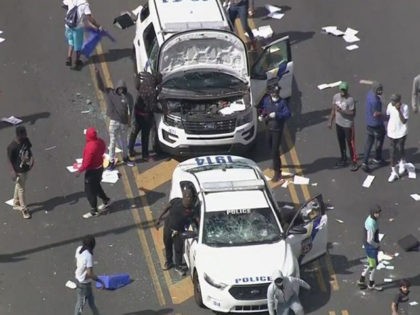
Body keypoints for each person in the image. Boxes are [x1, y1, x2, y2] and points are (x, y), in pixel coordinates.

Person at [95, 67, 134, 170]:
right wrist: (97, 74)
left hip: (124, 123)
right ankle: (111, 161)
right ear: (117, 88)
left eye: (123, 89)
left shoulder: (128, 97)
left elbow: (130, 110)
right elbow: (100, 86)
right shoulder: (110, 93)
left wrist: (129, 122)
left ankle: (126, 158)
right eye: (119, 88)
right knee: (113, 142)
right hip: (114, 122)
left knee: (124, 141)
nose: (121, 90)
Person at [155, 185, 198, 276]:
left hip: (179, 232)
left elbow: (196, 219)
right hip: (168, 228)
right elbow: (167, 207)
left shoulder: (192, 210)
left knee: (178, 250)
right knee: (168, 246)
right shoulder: (176, 201)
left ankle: (178, 266)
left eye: (190, 197)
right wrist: (159, 218)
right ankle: (169, 262)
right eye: (187, 196)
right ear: (183, 196)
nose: (188, 199)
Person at [76, 127, 111, 219]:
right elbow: (103, 149)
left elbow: (87, 163)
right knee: (96, 185)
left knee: (90, 191)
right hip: (100, 167)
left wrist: (79, 171)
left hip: (92, 171)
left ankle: (94, 210)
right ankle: (105, 200)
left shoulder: (89, 147)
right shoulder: (100, 141)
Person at [259, 85, 291, 182]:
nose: (275, 94)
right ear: (271, 93)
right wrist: (262, 115)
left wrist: (277, 115)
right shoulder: (266, 100)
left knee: (274, 150)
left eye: (277, 92)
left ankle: (278, 172)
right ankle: (275, 160)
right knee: (269, 146)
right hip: (269, 127)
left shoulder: (282, 102)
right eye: (274, 92)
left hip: (277, 129)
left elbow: (287, 114)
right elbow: (263, 109)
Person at [328, 81, 358, 171]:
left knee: (350, 143)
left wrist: (342, 111)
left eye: (344, 90)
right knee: (341, 142)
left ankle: (354, 162)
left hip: (348, 125)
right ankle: (343, 158)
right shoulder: (336, 97)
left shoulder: (350, 100)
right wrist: (330, 121)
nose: (343, 92)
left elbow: (353, 113)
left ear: (347, 90)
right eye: (341, 90)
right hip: (339, 124)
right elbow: (333, 109)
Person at [63, 0, 102, 68]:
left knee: (71, 42)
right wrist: (98, 26)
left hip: (68, 25)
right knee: (78, 46)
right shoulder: (84, 4)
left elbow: (64, 5)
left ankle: (69, 58)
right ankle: (77, 60)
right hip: (77, 28)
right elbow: (89, 18)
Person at [128, 72, 157, 160]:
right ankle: (145, 155)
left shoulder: (142, 86)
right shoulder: (152, 92)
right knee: (145, 136)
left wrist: (136, 76)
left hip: (137, 114)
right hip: (146, 117)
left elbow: (137, 85)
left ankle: (131, 151)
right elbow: (152, 107)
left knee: (134, 132)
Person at [7, 126, 34, 219]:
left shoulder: (26, 140)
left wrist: (31, 159)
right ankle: (24, 209)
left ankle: (15, 202)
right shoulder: (12, 147)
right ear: (19, 135)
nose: (26, 135)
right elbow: (10, 161)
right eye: (24, 134)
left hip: (25, 168)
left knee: (19, 185)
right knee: (22, 189)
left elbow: (29, 150)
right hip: (18, 171)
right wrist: (12, 171)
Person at [74, 235, 105, 315]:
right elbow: (90, 273)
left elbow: (77, 261)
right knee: (80, 304)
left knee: (91, 301)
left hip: (80, 279)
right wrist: (100, 281)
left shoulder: (79, 249)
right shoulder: (88, 256)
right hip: (84, 283)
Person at [361, 82, 386, 173]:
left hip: (369, 123)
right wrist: (385, 115)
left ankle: (365, 162)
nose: (381, 91)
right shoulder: (375, 101)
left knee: (369, 142)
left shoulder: (369, 94)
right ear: (376, 90)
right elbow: (376, 114)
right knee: (379, 140)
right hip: (377, 124)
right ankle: (378, 158)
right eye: (379, 90)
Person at [357, 205, 383, 291]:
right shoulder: (371, 224)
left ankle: (361, 279)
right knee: (374, 265)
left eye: (379, 212)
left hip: (368, 246)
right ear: (373, 213)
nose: (378, 214)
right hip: (371, 247)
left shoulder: (370, 218)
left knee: (370, 263)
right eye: (377, 213)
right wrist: (377, 246)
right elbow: (370, 240)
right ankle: (371, 284)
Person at [386, 94, 409, 182]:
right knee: (392, 152)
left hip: (402, 132)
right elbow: (388, 115)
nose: (392, 102)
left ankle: (402, 161)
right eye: (391, 100)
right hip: (392, 132)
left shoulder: (405, 107)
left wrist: (399, 110)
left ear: (399, 101)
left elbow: (404, 121)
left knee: (401, 148)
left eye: (394, 101)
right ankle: (393, 172)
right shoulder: (389, 105)